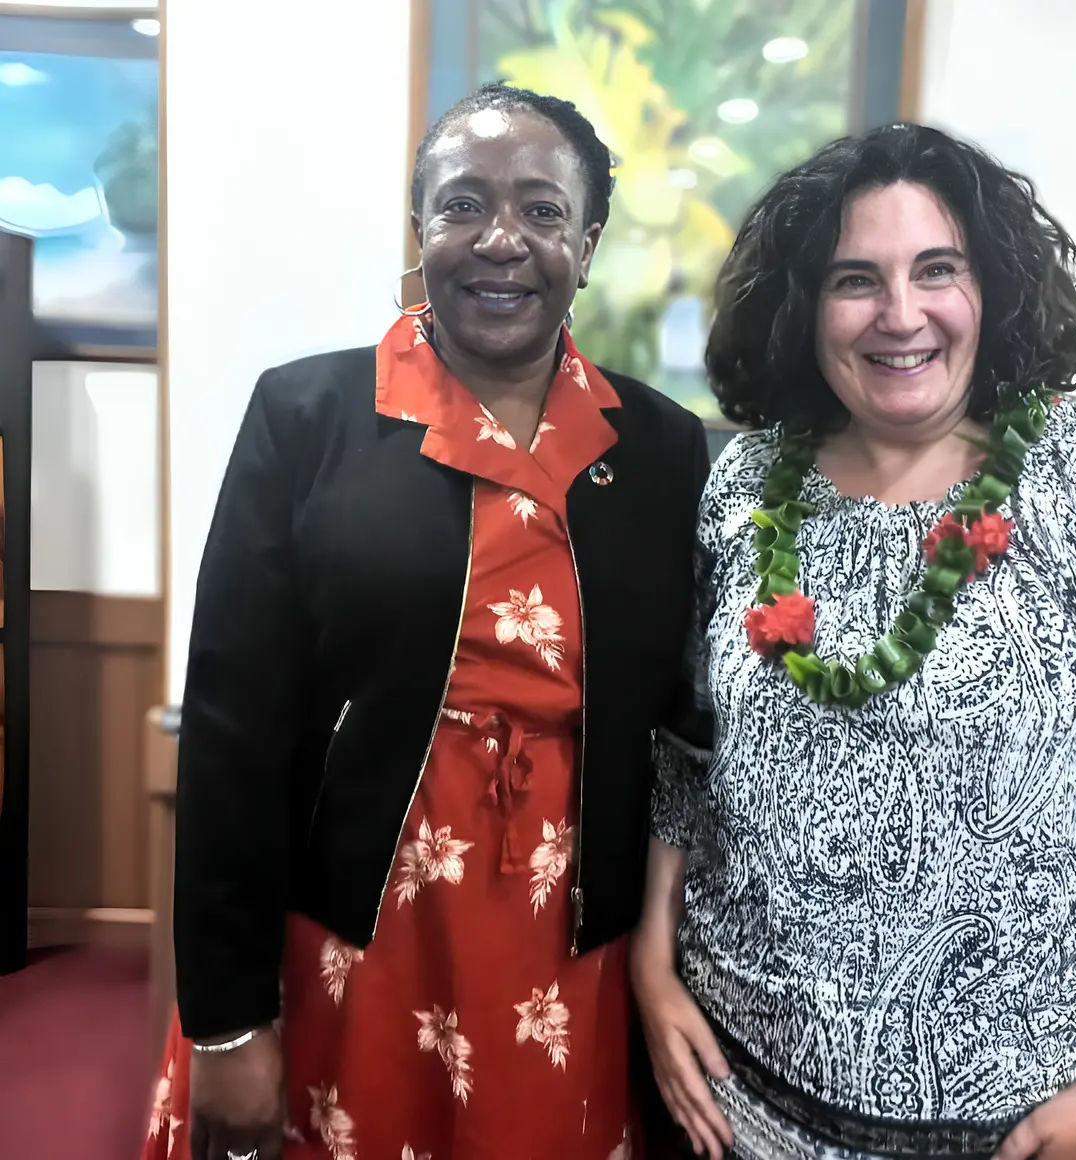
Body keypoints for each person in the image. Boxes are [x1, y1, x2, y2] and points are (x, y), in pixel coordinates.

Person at [631, 123, 1076, 1160]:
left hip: (1026, 1134)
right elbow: (689, 756)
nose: (901, 313)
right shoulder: (744, 484)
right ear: (801, 307)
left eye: (937, 271)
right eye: (854, 279)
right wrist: (652, 962)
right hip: (739, 1108)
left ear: (993, 287)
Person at [144, 83, 707, 1160]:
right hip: (355, 925)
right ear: (421, 230)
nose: (502, 239)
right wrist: (226, 1016)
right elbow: (233, 732)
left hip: (570, 938)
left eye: (543, 211)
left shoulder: (666, 448)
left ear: (586, 244)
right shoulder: (306, 417)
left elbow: (685, 734)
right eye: (463, 205)